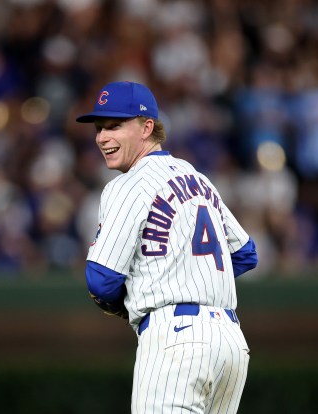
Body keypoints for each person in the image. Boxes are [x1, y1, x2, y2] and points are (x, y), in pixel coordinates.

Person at [76, 81, 257, 414]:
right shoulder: (197, 178)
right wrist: (188, 272)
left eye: (115, 125)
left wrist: (126, 300)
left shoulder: (129, 184)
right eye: (100, 128)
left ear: (147, 128)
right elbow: (246, 253)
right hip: (230, 342)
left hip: (175, 339)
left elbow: (101, 279)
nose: (102, 137)